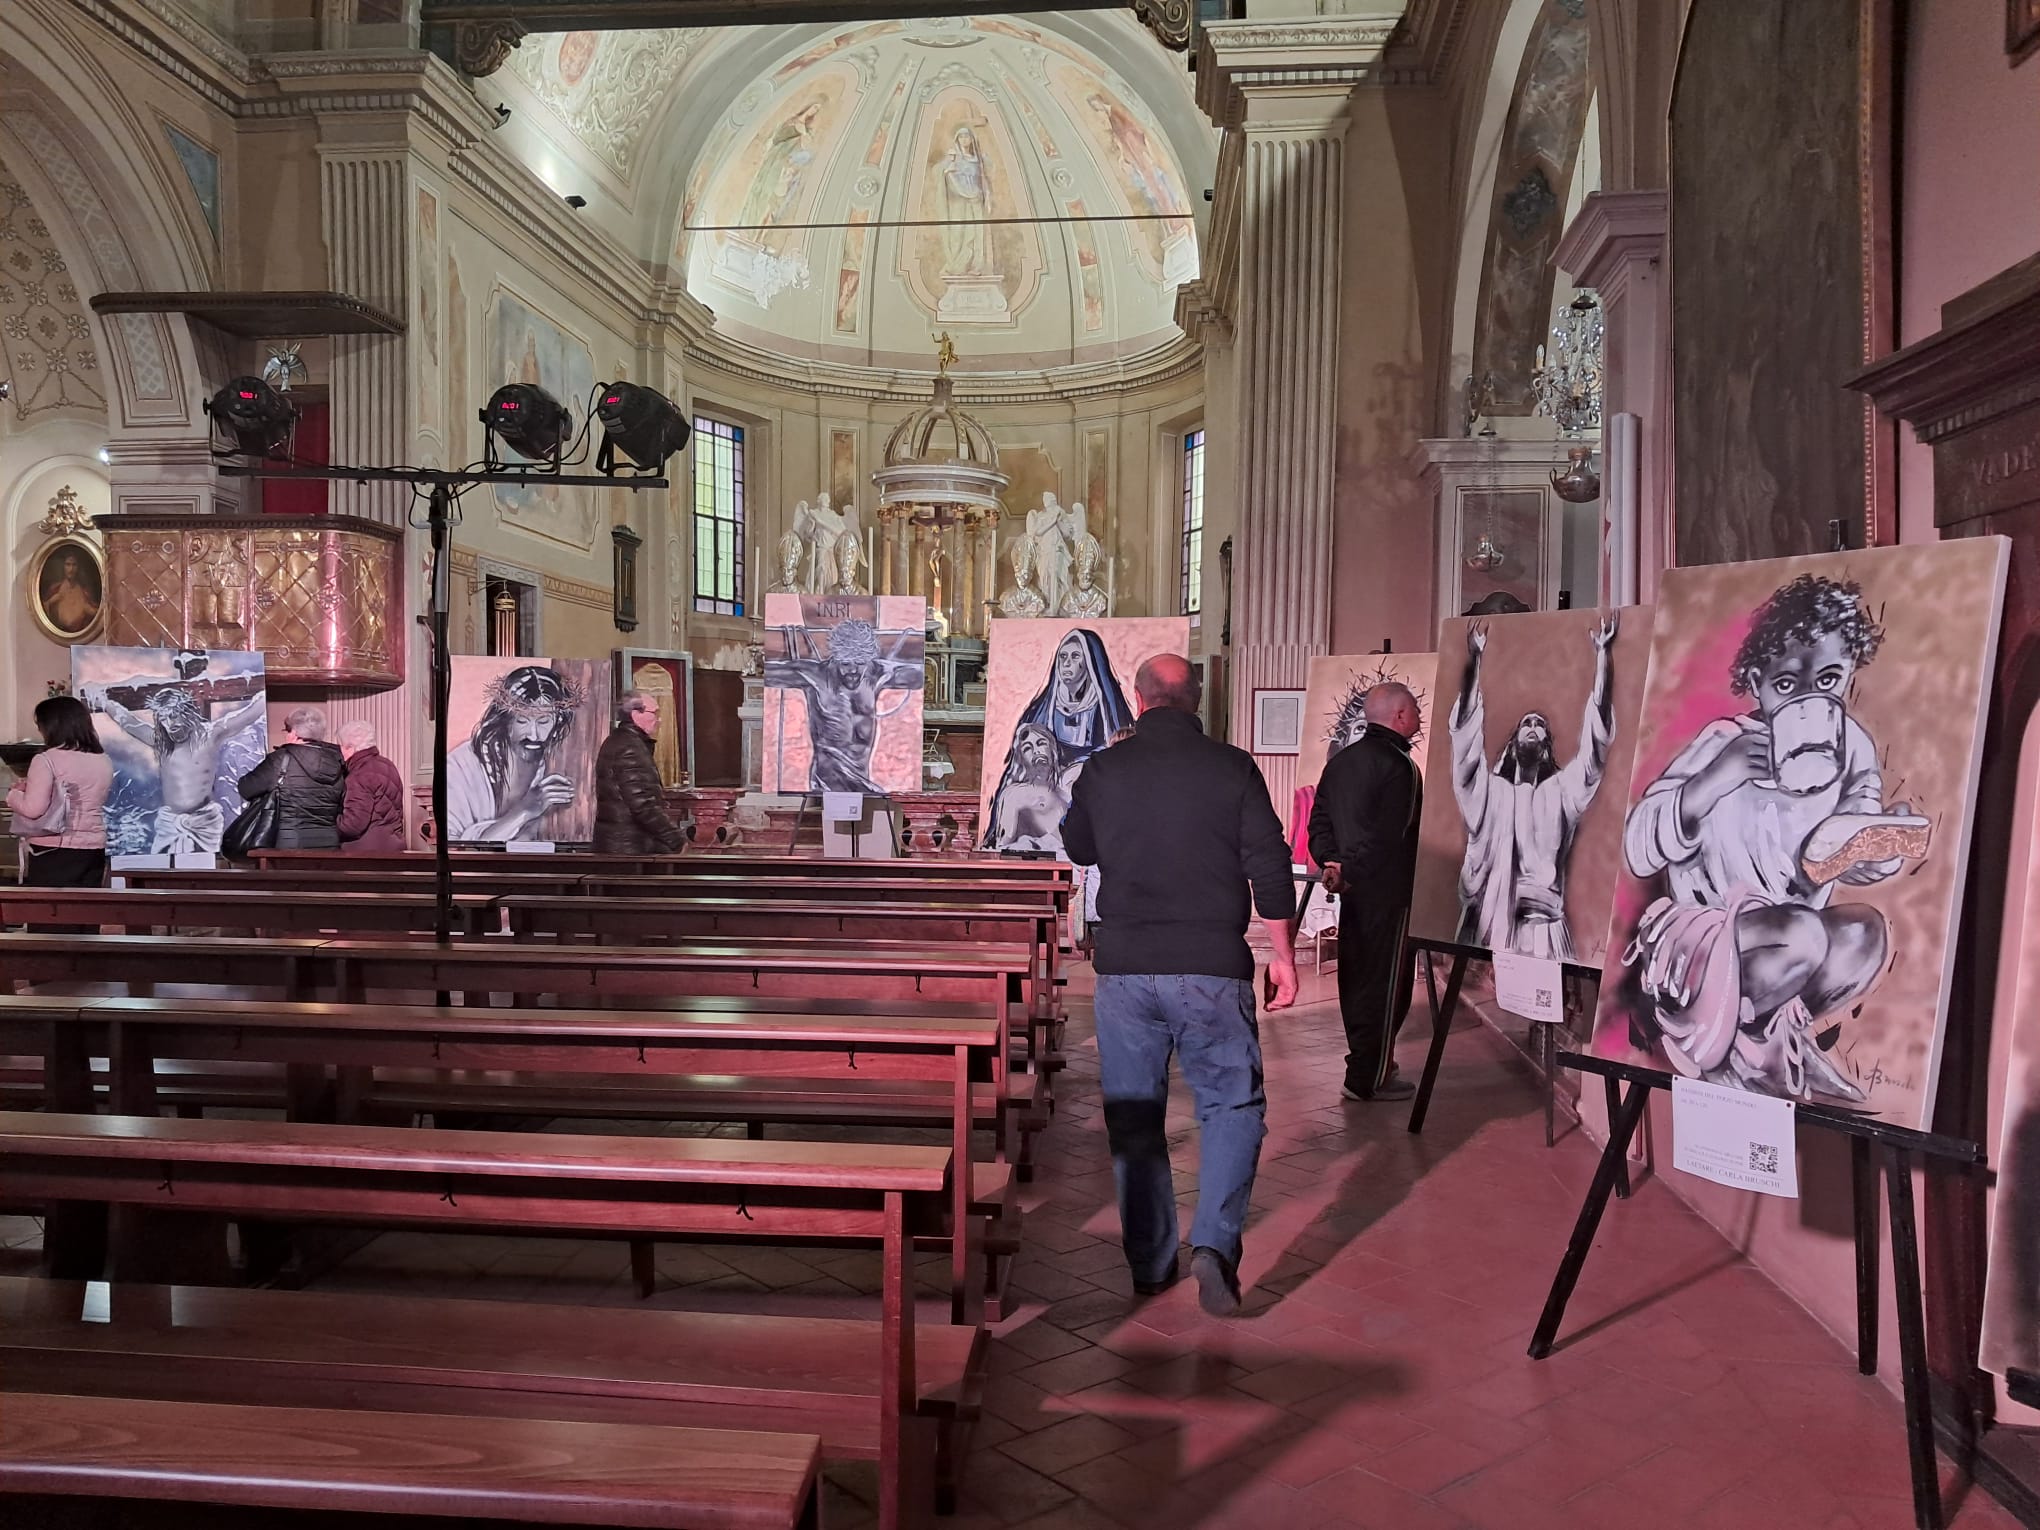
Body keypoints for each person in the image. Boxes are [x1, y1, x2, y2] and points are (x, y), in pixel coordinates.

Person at [1062, 654, 1298, 1317]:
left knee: (1135, 1115)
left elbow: (1079, 847)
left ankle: (1149, 1262)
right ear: (1196, 699)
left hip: (1126, 968)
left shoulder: (1104, 769)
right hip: (1211, 965)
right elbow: (1270, 863)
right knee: (1231, 1106)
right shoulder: (1233, 768)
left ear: (1139, 702)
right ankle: (1214, 1245)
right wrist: (1283, 955)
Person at [1619, 574, 1910, 1102]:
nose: (1809, 700)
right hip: (1704, 935)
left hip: (1789, 942)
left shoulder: (1853, 748)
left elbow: (1852, 833)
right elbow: (1638, 847)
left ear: (1848, 672)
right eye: (1787, 685)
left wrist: (1877, 852)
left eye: (1828, 680)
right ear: (1757, 681)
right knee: (1803, 933)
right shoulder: (1724, 744)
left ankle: (1761, 1036)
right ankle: (1712, 1029)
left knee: (1864, 934)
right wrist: (1711, 783)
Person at [1448, 616, 1618, 960]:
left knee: (1546, 996)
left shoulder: (1560, 793)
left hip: (1544, 931)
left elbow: (1595, 749)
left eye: (1539, 725)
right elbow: (1465, 745)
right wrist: (1474, 660)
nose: (1532, 726)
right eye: (1526, 723)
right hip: (1490, 927)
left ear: (1545, 749)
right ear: (1513, 747)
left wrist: (1603, 658)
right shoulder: (1490, 793)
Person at [1309, 682, 1424, 1102]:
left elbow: (1319, 821)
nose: (1418, 717)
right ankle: (1368, 1077)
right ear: (1399, 716)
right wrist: (1351, 870)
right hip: (1388, 893)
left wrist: (1332, 864)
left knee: (1357, 979)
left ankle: (1367, 1066)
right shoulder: (1400, 767)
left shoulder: (1341, 762)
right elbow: (1389, 836)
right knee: (1387, 984)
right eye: (1414, 710)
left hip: (1352, 891)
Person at [83, 656, 266, 853]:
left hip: (205, 822)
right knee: (164, 866)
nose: (170, 724)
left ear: (185, 713)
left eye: (173, 715)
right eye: (164, 718)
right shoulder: (160, 741)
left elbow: (247, 716)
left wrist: (264, 695)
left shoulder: (210, 736)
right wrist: (103, 701)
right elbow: (129, 722)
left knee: (210, 866)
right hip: (170, 824)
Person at [984, 629, 1136, 853]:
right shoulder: (1043, 708)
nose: (1066, 663)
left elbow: (1119, 752)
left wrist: (1081, 768)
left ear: (1088, 663)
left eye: (1075, 657)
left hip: (1086, 779)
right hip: (1050, 781)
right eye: (1063, 657)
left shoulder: (1106, 708)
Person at [763, 616, 923, 794]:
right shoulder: (817, 676)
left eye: (860, 663)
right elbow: (771, 672)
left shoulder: (878, 674)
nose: (853, 670)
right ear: (836, 659)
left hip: (862, 781)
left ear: (868, 660)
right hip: (828, 781)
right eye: (846, 664)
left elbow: (919, 675)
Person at [445, 666, 585, 842]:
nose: (534, 735)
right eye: (522, 721)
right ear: (505, 720)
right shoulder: (460, 768)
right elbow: (456, 848)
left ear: (558, 721)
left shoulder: (560, 760)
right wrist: (525, 810)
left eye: (543, 722)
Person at [8, 695, 113, 886]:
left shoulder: (46, 760)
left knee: (50, 904)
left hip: (54, 849)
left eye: (40, 724)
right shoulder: (102, 759)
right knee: (85, 903)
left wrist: (14, 795)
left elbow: (33, 809)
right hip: (93, 848)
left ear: (52, 726)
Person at [236, 705, 345, 850]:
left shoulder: (280, 760)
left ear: (294, 732)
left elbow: (246, 788)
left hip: (289, 842)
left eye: (287, 730)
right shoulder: (338, 760)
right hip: (329, 841)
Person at [595, 688, 689, 854]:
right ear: (636, 715)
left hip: (622, 843)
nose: (659, 719)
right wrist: (676, 840)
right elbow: (642, 805)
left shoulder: (619, 741)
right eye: (654, 713)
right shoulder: (629, 748)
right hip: (629, 848)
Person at [336, 719, 406, 852]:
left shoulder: (359, 774)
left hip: (366, 851)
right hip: (394, 846)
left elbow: (352, 825)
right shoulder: (388, 765)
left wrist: (328, 823)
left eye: (341, 746)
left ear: (350, 747)